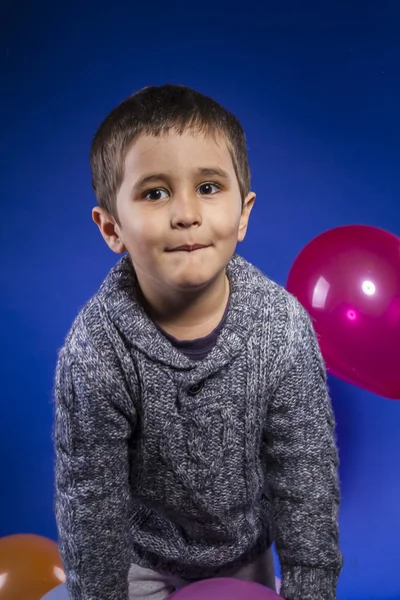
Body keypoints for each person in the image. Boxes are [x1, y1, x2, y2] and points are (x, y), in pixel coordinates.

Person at [54, 84, 343, 600]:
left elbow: (305, 478)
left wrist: (310, 590)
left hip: (242, 559)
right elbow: (90, 503)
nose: (186, 212)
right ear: (111, 228)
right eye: (154, 192)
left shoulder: (281, 330)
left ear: (245, 212)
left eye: (208, 187)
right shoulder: (96, 352)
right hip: (138, 566)